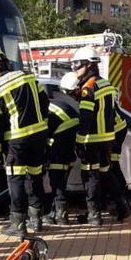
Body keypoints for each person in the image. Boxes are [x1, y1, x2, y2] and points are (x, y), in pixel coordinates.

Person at [0, 47, 50, 236]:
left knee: (16, 180)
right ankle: (37, 220)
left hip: (17, 140)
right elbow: (45, 102)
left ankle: (18, 223)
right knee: (35, 177)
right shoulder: (28, 76)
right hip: (39, 136)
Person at [67, 46, 131, 226]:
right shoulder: (106, 84)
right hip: (107, 139)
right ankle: (122, 207)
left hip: (92, 141)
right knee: (106, 173)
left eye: (77, 65)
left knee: (90, 177)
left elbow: (86, 119)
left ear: (88, 65)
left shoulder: (88, 88)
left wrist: (80, 141)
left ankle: (94, 215)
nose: (75, 70)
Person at [42, 80, 80, 226]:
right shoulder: (52, 103)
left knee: (56, 178)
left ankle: (59, 215)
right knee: (61, 177)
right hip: (69, 136)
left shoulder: (43, 108)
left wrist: (44, 156)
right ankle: (60, 214)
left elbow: (45, 134)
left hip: (62, 136)